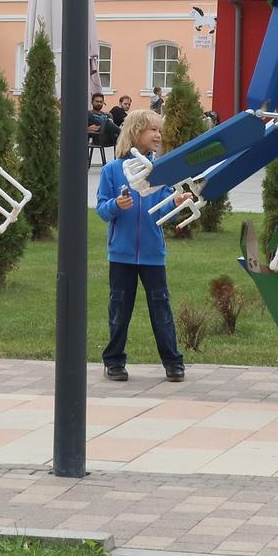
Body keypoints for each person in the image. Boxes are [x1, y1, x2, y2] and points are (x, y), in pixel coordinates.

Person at [97, 107, 184, 383]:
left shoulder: (160, 171)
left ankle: (173, 362)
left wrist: (176, 203)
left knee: (162, 310)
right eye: (153, 130)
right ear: (135, 132)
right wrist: (116, 205)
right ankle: (114, 362)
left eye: (159, 130)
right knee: (119, 309)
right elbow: (101, 209)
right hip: (120, 255)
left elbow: (164, 211)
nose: (158, 135)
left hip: (152, 255)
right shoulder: (112, 170)